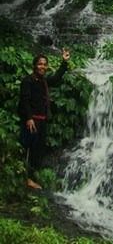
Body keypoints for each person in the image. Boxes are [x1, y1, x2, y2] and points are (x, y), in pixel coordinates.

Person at [18, 48, 70, 189]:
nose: (43, 67)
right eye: (40, 64)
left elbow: (56, 78)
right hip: (31, 121)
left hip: (41, 121)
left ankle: (31, 179)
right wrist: (29, 118)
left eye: (45, 64)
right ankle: (26, 178)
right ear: (35, 65)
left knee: (38, 150)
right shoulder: (27, 81)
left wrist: (64, 62)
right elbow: (25, 101)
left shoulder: (43, 81)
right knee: (29, 149)